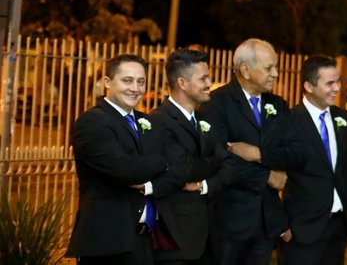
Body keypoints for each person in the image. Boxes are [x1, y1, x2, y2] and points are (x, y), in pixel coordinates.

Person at [200, 38, 303, 265]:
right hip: (228, 222)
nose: (276, 73)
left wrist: (258, 154)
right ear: (245, 70)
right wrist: (268, 176)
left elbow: (296, 153)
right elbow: (221, 159)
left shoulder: (278, 105)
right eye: (269, 68)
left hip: (266, 223)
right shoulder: (216, 103)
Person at [66, 53, 170, 265]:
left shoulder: (148, 121)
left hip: (145, 240)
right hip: (107, 242)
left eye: (141, 82)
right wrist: (162, 164)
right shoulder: (92, 122)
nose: (135, 88)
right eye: (127, 80)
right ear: (107, 82)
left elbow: (179, 162)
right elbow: (124, 168)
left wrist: (156, 170)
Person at [281, 54, 347, 264]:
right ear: (308, 86)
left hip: (337, 227)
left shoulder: (343, 117)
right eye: (330, 83)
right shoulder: (288, 120)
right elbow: (276, 173)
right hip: (301, 229)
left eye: (338, 81)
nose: (337, 88)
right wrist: (281, 224)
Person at [151, 47, 222, 264]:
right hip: (175, 239)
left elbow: (227, 161)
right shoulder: (159, 121)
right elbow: (183, 169)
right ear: (182, 83)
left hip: (207, 238)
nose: (210, 83)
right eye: (203, 78)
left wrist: (204, 182)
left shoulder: (204, 119)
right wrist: (213, 163)